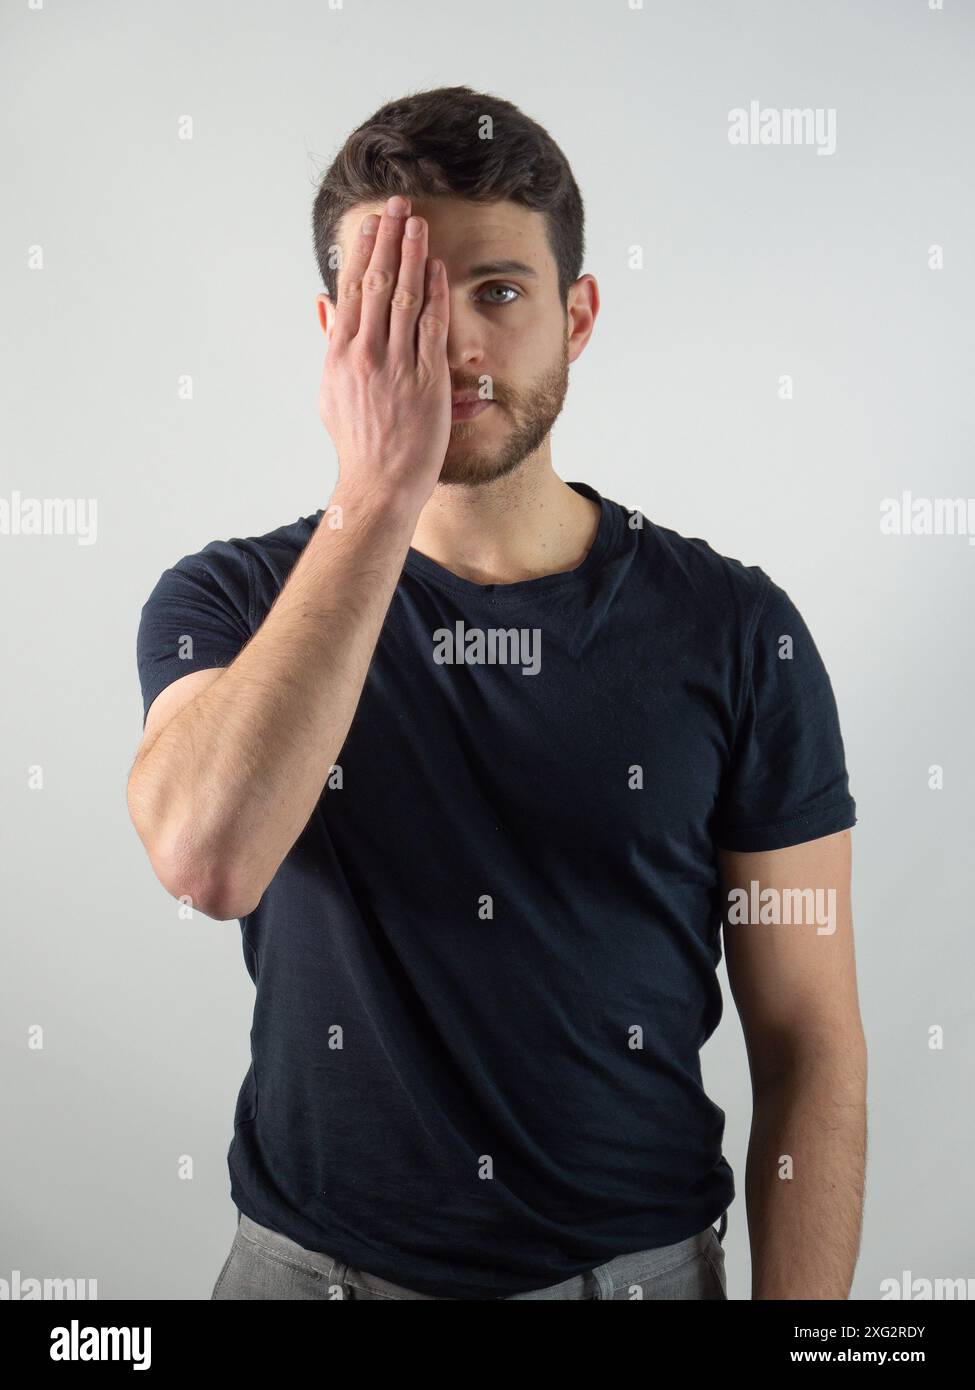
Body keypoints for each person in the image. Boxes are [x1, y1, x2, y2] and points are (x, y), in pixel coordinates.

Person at [128, 86, 866, 1301]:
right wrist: (376, 496)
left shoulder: (737, 631)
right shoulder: (228, 599)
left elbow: (811, 1044)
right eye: (401, 301)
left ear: (578, 317)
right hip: (305, 1278)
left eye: (500, 291)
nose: (455, 343)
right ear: (335, 332)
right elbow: (208, 860)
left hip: (634, 1280)